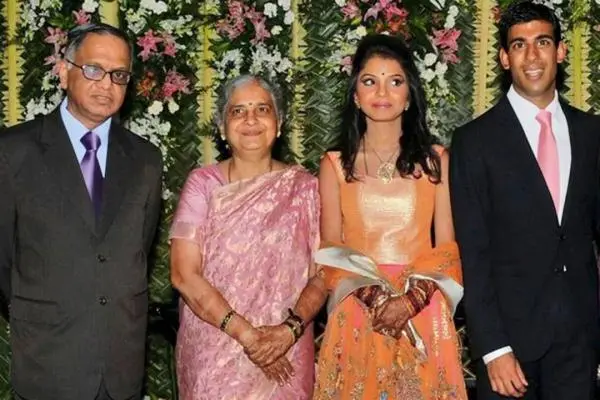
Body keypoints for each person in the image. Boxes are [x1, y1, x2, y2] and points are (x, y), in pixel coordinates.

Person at [0, 23, 163, 400]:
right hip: (48, 360)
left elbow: (139, 248)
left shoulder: (145, 160)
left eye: (119, 75)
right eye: (93, 69)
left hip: (121, 366)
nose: (106, 84)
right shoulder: (13, 151)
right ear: (63, 71)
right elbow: (3, 259)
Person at [450, 2, 600, 399]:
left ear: (561, 51)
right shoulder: (473, 142)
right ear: (504, 57)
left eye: (542, 42)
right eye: (519, 45)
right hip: (509, 348)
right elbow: (473, 254)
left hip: (580, 344)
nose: (532, 56)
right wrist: (493, 348)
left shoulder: (592, 134)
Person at [313, 34, 467, 399]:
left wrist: (409, 301)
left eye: (395, 81)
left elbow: (447, 249)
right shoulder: (335, 165)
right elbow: (331, 250)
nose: (382, 92)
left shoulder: (435, 161)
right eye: (370, 81)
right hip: (357, 307)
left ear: (409, 95)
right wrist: (377, 298)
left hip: (422, 308)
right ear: (355, 95)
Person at [169, 74, 326, 399]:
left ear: (279, 123)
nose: (251, 120)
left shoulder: (305, 189)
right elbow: (184, 274)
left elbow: (324, 275)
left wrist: (287, 332)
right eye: (238, 111)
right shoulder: (203, 185)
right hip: (216, 351)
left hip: (288, 352)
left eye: (262, 109)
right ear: (222, 127)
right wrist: (250, 337)